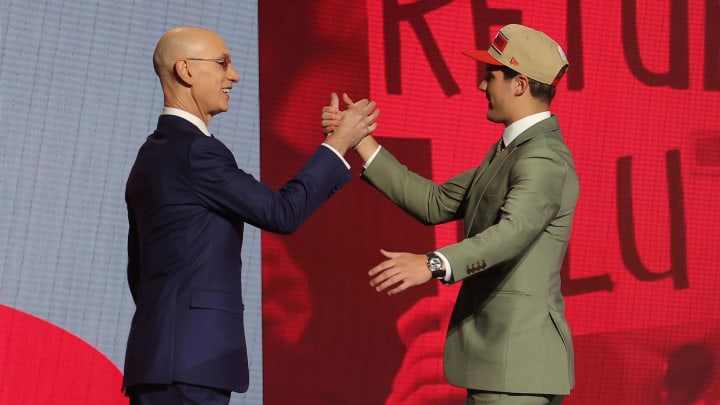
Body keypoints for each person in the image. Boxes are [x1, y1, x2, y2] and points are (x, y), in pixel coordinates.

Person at [123, 26, 378, 405]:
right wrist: (339, 143)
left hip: (162, 360)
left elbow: (139, 270)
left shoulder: (152, 154)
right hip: (191, 365)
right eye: (223, 63)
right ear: (186, 70)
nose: (234, 75)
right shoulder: (197, 153)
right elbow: (281, 212)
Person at [323, 24, 577, 404]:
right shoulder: (513, 151)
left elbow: (512, 231)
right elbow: (435, 202)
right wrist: (359, 139)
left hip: (514, 368)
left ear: (520, 84)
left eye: (490, 76)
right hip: (504, 365)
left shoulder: (541, 157)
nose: (481, 86)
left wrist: (433, 263)